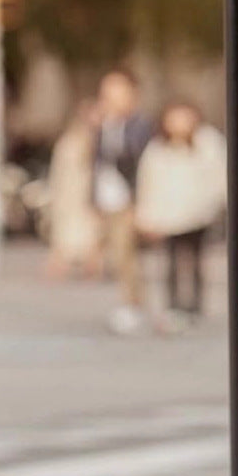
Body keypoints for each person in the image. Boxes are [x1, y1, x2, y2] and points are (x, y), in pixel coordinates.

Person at [135, 100, 227, 331]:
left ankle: (194, 305)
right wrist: (147, 215)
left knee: (195, 259)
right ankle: (174, 305)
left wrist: (216, 204)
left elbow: (219, 176)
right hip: (169, 215)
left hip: (198, 213)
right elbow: (148, 183)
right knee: (172, 261)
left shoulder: (208, 142)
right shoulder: (158, 148)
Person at [92, 67, 154, 333]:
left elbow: (139, 162)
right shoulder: (103, 125)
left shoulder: (140, 125)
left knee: (126, 255)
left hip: (128, 199)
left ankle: (133, 306)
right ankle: (129, 303)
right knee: (117, 255)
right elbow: (96, 162)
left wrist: (139, 203)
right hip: (107, 198)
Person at [45, 99, 102, 279]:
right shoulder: (71, 142)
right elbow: (60, 174)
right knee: (68, 236)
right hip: (72, 196)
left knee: (92, 235)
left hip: (92, 197)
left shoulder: (103, 140)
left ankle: (91, 265)